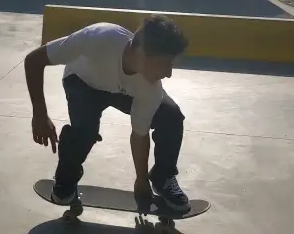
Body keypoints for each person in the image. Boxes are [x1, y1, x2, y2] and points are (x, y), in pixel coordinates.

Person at [24, 15, 191, 212]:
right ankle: (65, 179)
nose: (169, 74)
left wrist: (141, 179)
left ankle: (163, 178)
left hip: (123, 90)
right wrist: (40, 114)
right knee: (85, 132)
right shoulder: (97, 39)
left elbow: (139, 135)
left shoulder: (150, 87)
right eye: (166, 64)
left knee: (170, 115)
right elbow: (33, 60)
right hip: (82, 82)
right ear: (142, 53)